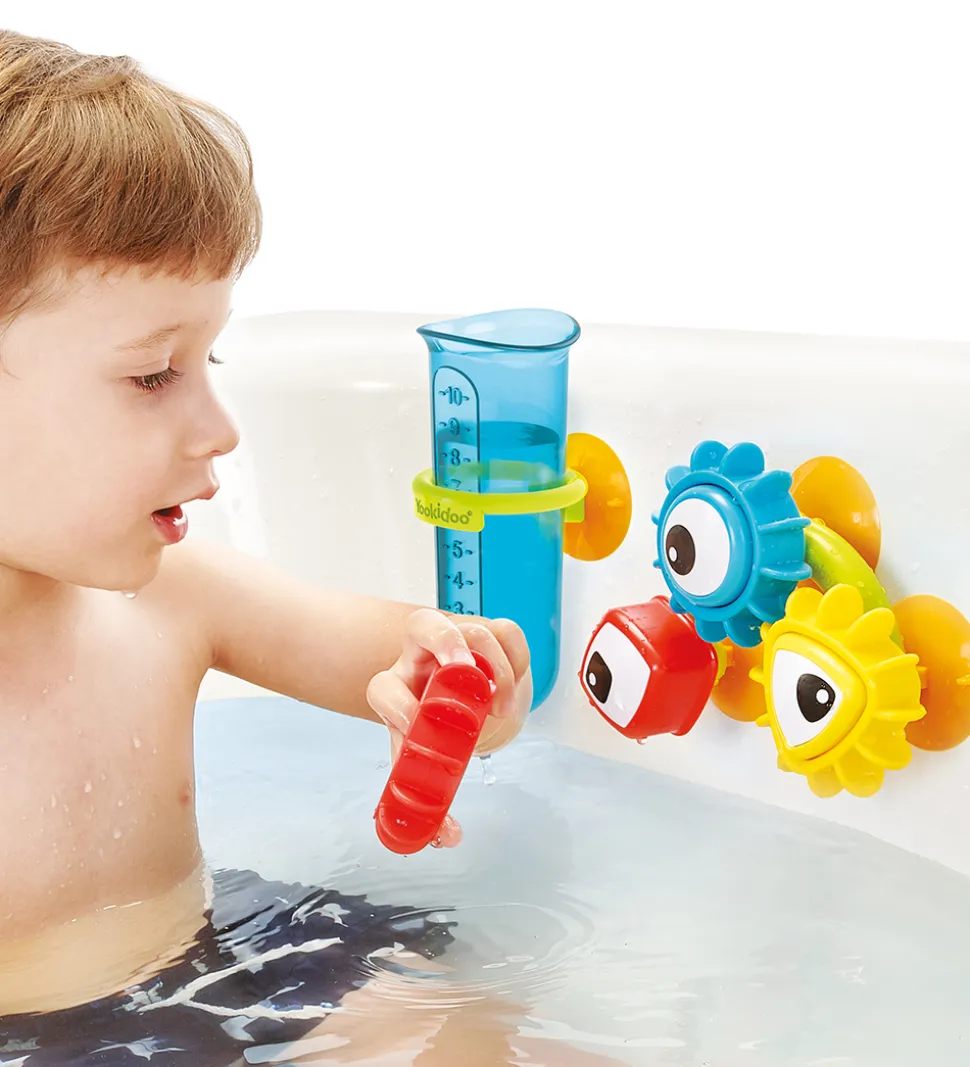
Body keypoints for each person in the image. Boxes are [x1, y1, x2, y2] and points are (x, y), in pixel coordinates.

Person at [0, 27, 628, 1067]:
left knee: (505, 1048)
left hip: (230, 957)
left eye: (209, 361)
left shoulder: (174, 597)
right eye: (153, 375)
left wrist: (460, 682)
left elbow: (418, 665)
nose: (219, 428)